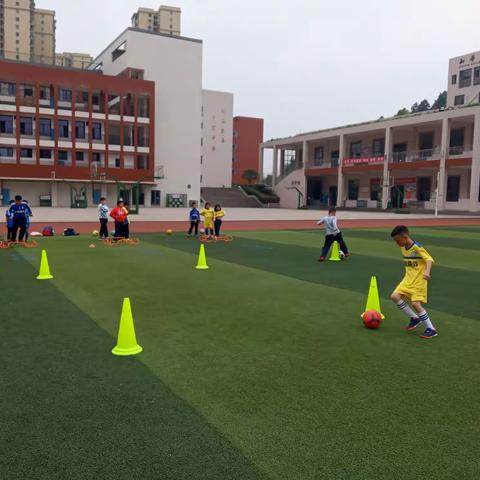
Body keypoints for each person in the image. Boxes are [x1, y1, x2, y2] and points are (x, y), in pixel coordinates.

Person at [390, 225, 437, 339]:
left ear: (405, 237)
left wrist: (427, 272)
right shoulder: (403, 246)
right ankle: (414, 318)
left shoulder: (417, 247)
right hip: (408, 279)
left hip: (419, 280)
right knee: (395, 296)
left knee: (416, 304)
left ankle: (431, 329)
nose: (397, 243)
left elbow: (429, 259)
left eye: (397, 240)